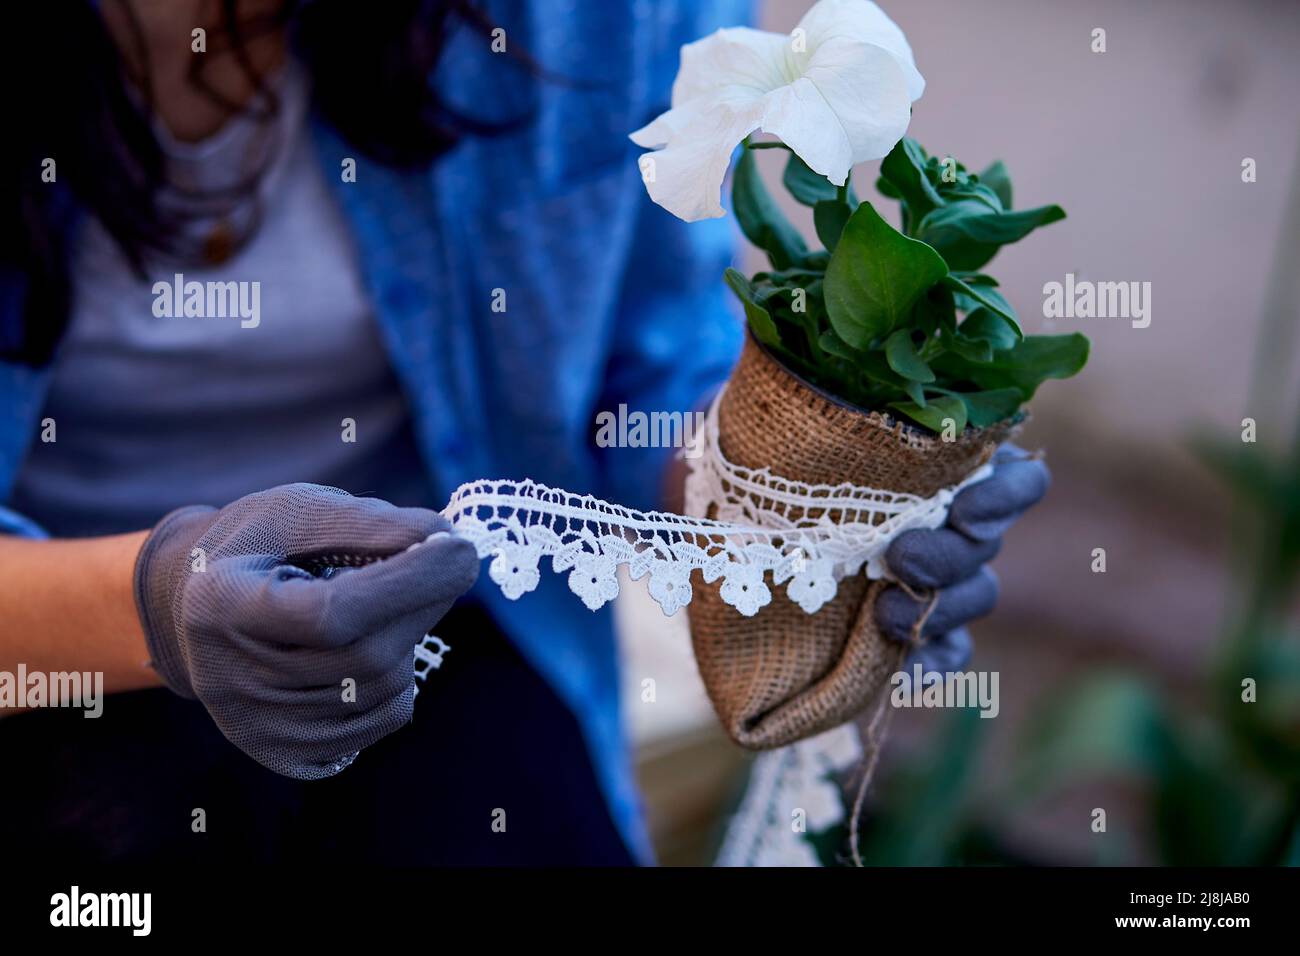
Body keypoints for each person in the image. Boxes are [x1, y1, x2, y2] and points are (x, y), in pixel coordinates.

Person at [0, 0, 1047, 865]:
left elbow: (642, 368)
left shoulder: (591, 20)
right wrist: (165, 603)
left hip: (431, 605)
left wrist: (805, 494)